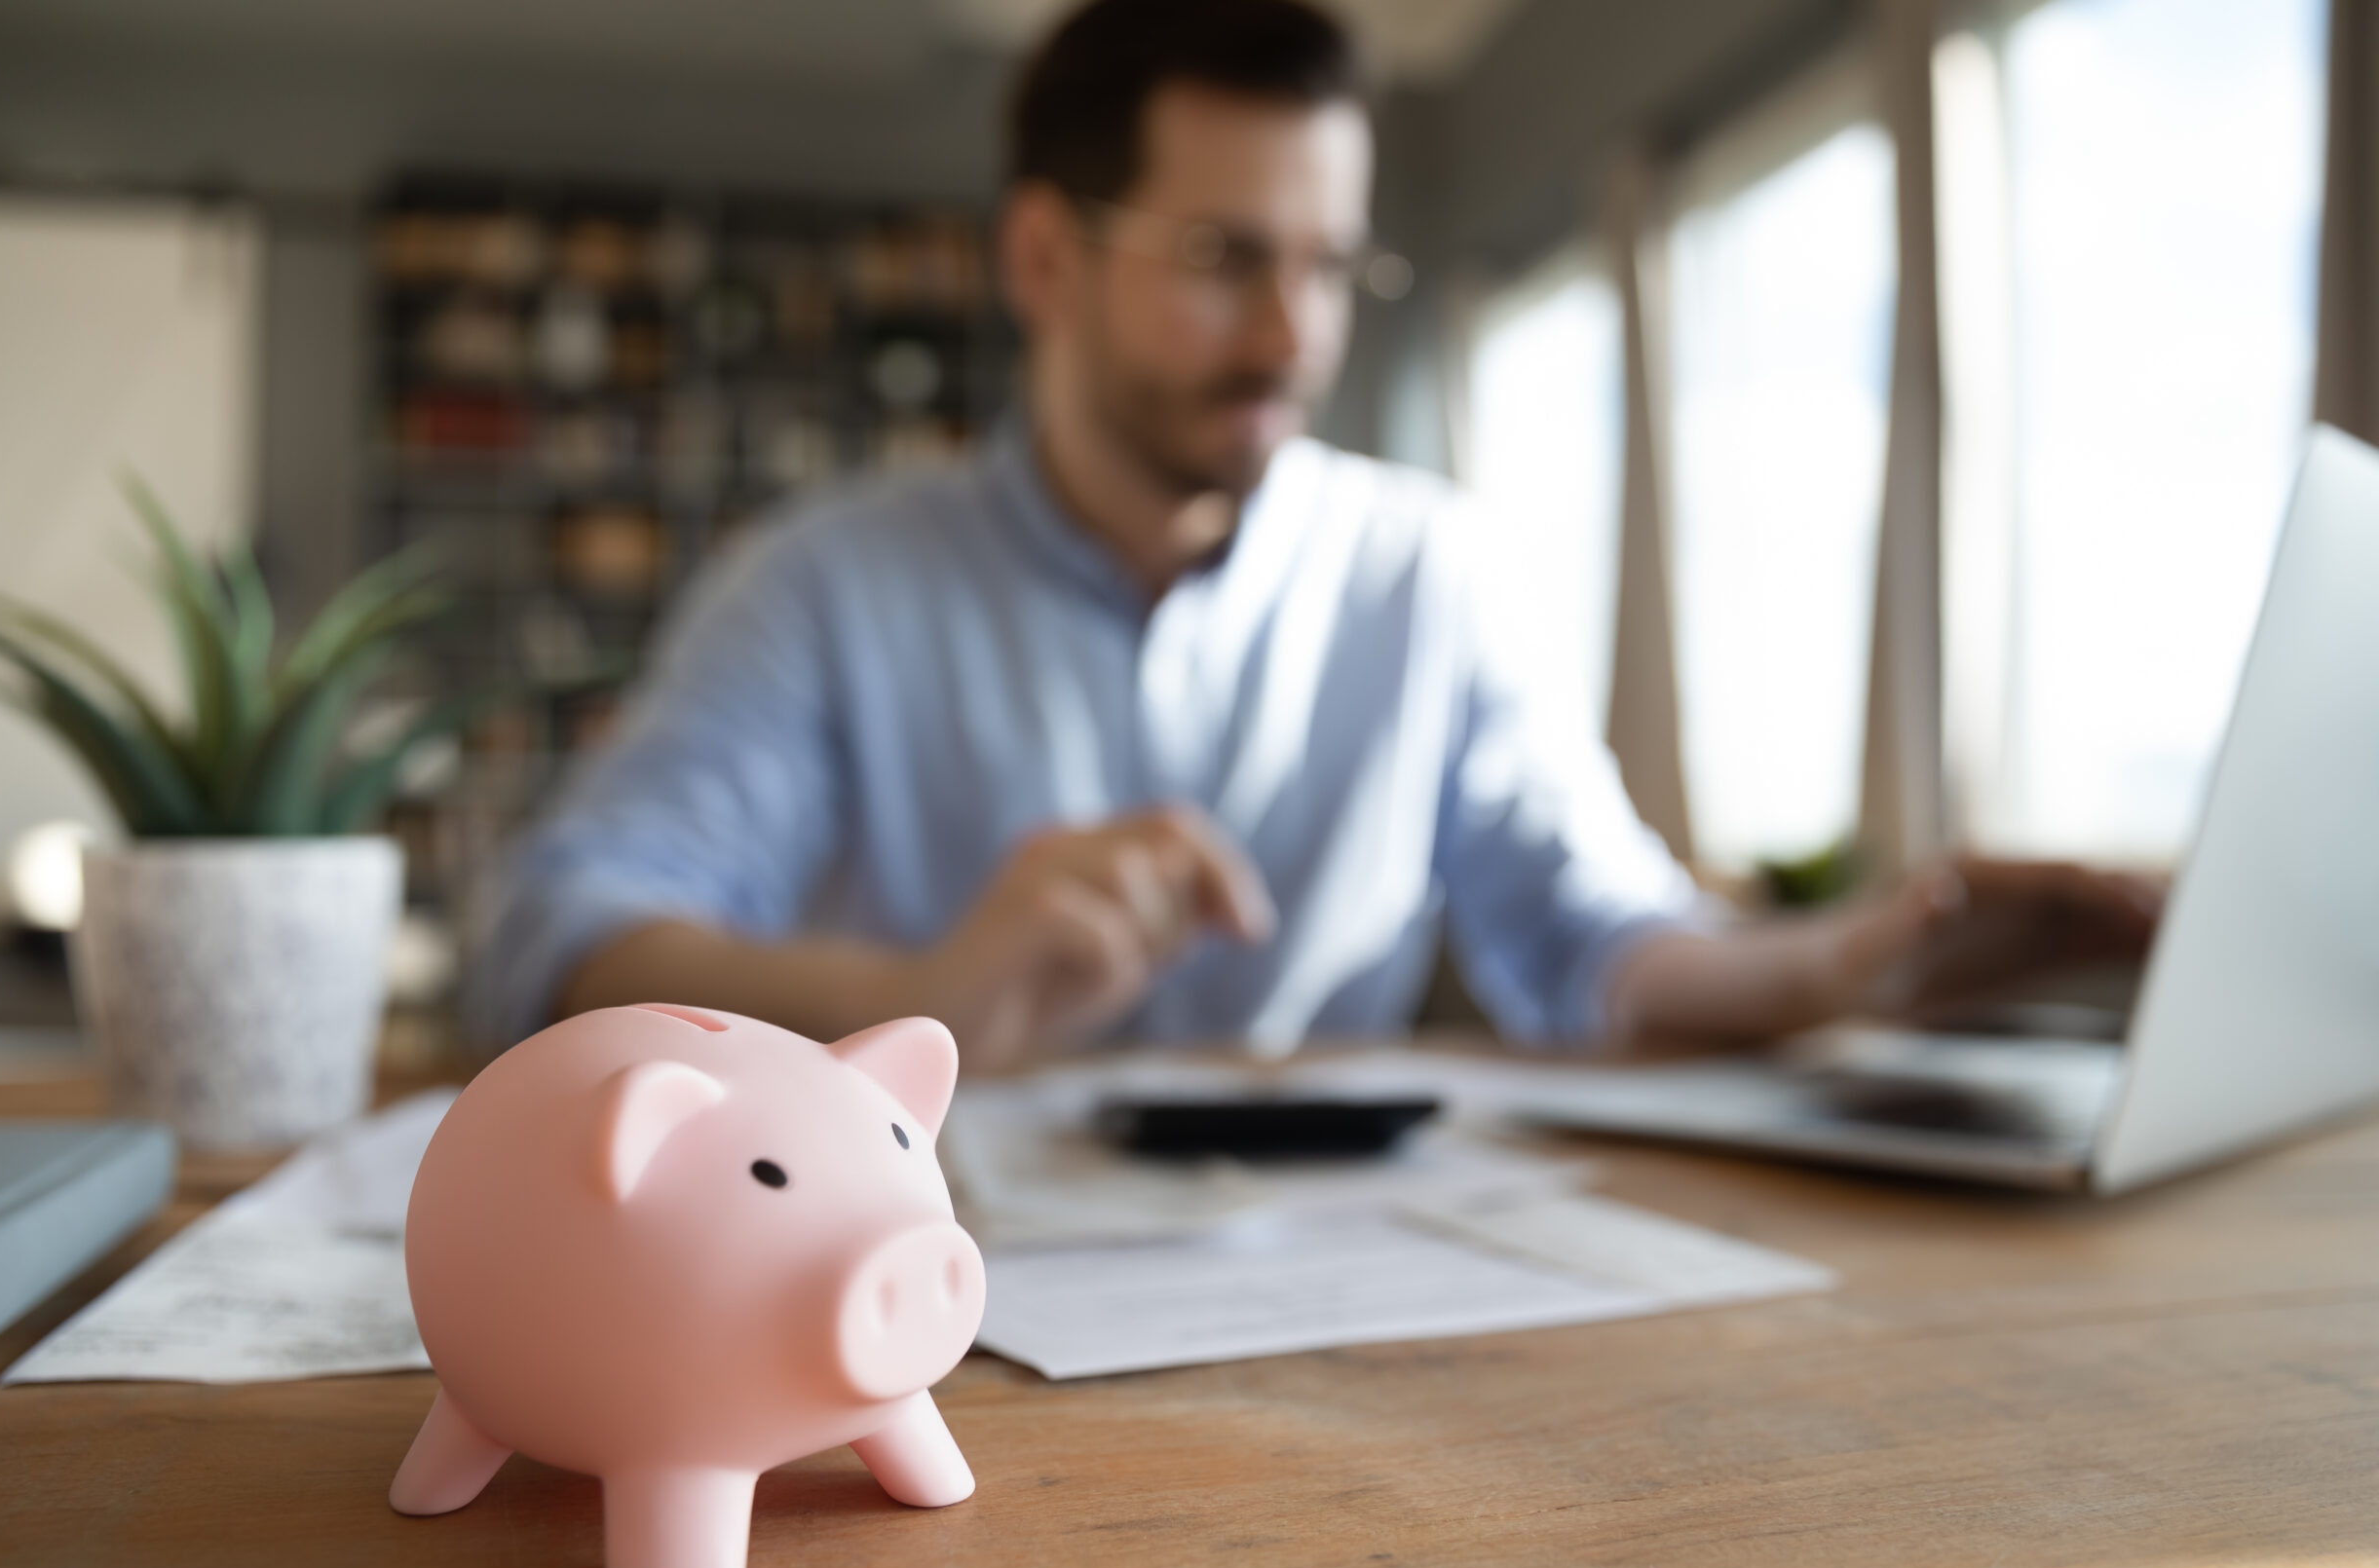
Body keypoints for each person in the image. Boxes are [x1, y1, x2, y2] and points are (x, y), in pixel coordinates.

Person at [470, 0, 2155, 1068]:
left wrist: (1854, 959)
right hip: (908, 1309)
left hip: (1336, 1340)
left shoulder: (1428, 575)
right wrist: (933, 989)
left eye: (1332, 264)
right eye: (1224, 257)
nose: (1294, 336)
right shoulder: (821, 587)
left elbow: (1597, 947)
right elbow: (565, 943)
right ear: (1045, 258)